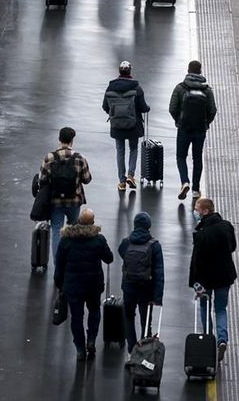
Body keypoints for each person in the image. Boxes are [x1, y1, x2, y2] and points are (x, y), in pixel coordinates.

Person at [54, 207, 114, 359]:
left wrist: (60, 284)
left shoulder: (66, 240)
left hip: (73, 287)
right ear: (92, 223)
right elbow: (109, 258)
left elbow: (59, 264)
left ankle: (80, 348)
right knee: (94, 311)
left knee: (76, 317)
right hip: (93, 286)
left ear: (78, 221)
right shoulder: (98, 240)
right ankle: (91, 339)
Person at [189, 197, 237, 362]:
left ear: (205, 212)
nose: (195, 212)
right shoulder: (227, 226)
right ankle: (222, 340)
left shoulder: (201, 234)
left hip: (206, 279)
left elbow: (195, 261)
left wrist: (195, 283)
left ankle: (209, 338)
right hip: (225, 276)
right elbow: (233, 247)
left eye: (197, 209)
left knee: (204, 307)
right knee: (221, 309)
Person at [169, 61, 217, 200]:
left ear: (188, 70)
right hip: (200, 130)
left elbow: (172, 108)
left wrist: (179, 120)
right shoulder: (206, 90)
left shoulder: (180, 88)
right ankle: (196, 189)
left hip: (184, 128)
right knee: (197, 158)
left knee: (180, 156)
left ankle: (185, 181)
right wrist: (205, 123)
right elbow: (212, 110)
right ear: (200, 71)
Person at [117, 211, 165, 352]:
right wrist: (158, 297)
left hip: (129, 286)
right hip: (146, 288)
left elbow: (121, 253)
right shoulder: (154, 245)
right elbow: (159, 272)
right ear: (148, 226)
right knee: (146, 320)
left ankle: (131, 348)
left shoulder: (126, 242)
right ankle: (144, 349)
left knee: (129, 316)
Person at [102, 61, 150, 191]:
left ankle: (122, 182)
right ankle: (131, 175)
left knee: (120, 151)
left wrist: (114, 114)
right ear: (130, 72)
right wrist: (147, 108)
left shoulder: (111, 87)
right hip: (133, 125)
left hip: (117, 125)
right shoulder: (137, 88)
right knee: (133, 149)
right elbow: (143, 107)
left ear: (119, 71)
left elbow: (105, 106)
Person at [38, 126, 92, 237]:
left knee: (57, 231)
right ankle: (70, 252)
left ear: (59, 139)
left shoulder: (49, 157)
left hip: (55, 200)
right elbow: (87, 179)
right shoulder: (80, 158)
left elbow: (41, 179)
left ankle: (58, 254)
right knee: (73, 229)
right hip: (74, 200)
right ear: (72, 140)